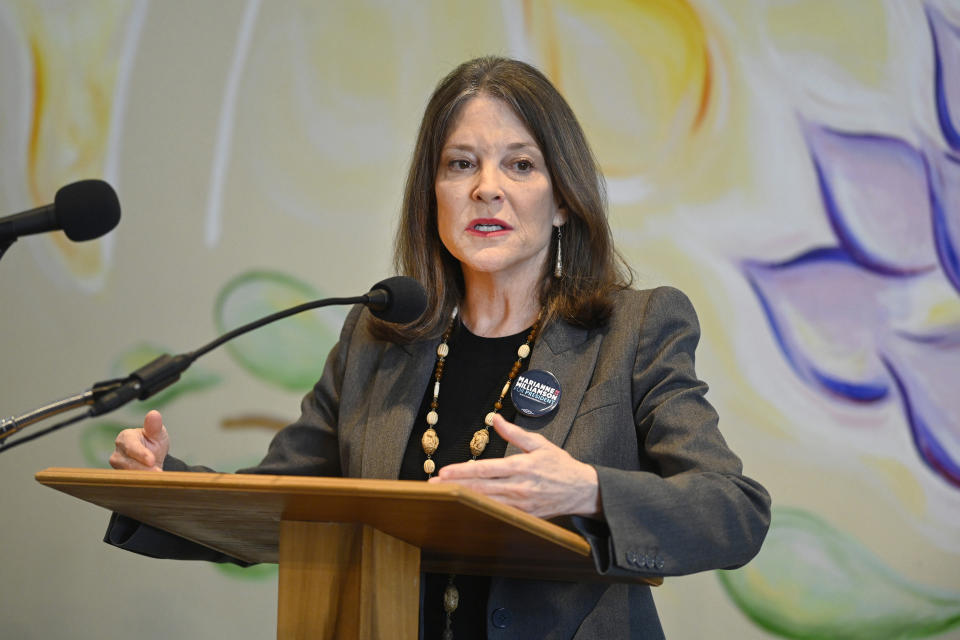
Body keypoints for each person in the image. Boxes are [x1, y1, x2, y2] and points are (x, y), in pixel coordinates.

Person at [107, 56, 771, 639]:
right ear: (433, 195)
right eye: (461, 164)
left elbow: (733, 510)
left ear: (563, 199)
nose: (487, 186)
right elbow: (283, 502)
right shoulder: (377, 338)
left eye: (521, 163)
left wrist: (590, 491)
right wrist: (161, 489)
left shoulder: (633, 329)